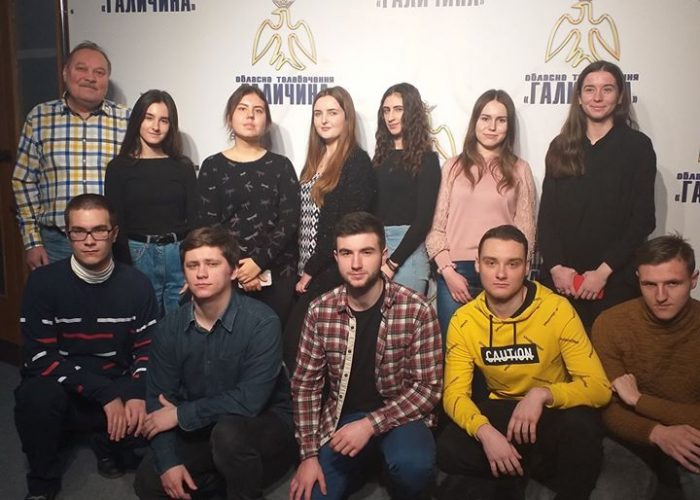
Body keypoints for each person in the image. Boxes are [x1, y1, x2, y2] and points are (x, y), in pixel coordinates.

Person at [436, 225, 611, 500]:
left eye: (512, 264)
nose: (501, 273)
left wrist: (543, 394)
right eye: (491, 263)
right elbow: (454, 395)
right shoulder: (464, 319)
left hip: (549, 411)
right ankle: (528, 468)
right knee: (448, 447)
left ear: (527, 267)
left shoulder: (557, 309)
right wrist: (485, 432)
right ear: (478, 265)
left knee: (583, 429)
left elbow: (599, 388)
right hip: (503, 410)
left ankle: (520, 470)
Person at [14, 194, 159, 500]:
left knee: (153, 415)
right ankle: (42, 482)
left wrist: (135, 391)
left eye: (99, 230)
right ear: (68, 235)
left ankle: (105, 441)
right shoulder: (42, 283)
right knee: (35, 398)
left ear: (114, 234)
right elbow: (39, 356)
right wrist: (103, 393)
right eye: (79, 231)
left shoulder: (137, 284)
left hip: (115, 380)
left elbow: (148, 348)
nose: (89, 240)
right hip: (64, 384)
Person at [133, 226, 295, 500]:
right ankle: (226, 479)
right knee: (149, 481)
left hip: (261, 424)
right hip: (204, 425)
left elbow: (250, 401)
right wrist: (169, 463)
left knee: (228, 436)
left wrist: (180, 415)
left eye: (212, 264)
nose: (201, 273)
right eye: (192, 265)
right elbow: (158, 400)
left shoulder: (262, 322)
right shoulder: (169, 328)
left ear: (232, 271)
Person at [289, 212, 442, 500]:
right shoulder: (320, 310)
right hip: (343, 418)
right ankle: (364, 464)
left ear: (383, 255)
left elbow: (428, 388)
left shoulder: (416, 309)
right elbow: (305, 386)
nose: (356, 264)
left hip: (401, 415)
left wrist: (370, 425)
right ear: (336, 257)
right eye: (347, 253)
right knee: (314, 494)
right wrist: (308, 456)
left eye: (366, 252)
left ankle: (386, 465)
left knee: (414, 467)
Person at [538, 60, 656, 332]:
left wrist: (603, 272)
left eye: (607, 89)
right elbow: (547, 218)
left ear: (620, 96)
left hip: (614, 283)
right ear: (579, 97)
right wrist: (556, 268)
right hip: (562, 283)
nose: (598, 97)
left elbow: (643, 219)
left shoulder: (638, 147)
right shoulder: (560, 146)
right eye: (590, 89)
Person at [592, 234, 700, 499]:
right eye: (650, 284)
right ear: (638, 279)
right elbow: (608, 408)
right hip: (632, 436)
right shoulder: (611, 323)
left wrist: (639, 400)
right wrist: (657, 433)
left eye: (672, 283)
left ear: (693, 280)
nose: (660, 296)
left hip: (693, 435)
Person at [426, 89, 536, 338]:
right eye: (485, 118)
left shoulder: (520, 169)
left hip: (502, 271)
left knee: (498, 347)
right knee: (454, 348)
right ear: (475, 121)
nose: (492, 127)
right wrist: (447, 271)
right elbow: (435, 226)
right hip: (456, 271)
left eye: (501, 120)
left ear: (509, 126)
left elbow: (526, 229)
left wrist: (518, 271)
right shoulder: (453, 167)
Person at [12, 41, 130, 270]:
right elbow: (23, 182)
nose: (90, 77)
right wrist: (32, 242)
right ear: (65, 72)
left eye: (99, 72)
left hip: (112, 243)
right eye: (82, 69)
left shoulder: (126, 120)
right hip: (57, 243)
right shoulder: (40, 118)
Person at [284, 86, 377, 369]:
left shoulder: (356, 162)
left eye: (332, 113)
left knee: (300, 345)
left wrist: (311, 270)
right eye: (318, 113)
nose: (324, 120)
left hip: (329, 271)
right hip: (305, 269)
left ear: (346, 117)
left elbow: (345, 227)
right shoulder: (314, 162)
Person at [196, 84, 300, 323]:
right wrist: (240, 268)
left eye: (258, 110)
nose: (250, 115)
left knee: (273, 341)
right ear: (230, 117)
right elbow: (207, 226)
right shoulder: (212, 166)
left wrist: (258, 263)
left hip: (276, 274)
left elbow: (288, 222)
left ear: (267, 122)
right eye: (242, 109)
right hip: (227, 274)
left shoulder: (281, 166)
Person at [105, 89, 197, 315]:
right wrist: (124, 269)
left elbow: (195, 219)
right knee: (145, 325)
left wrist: (194, 265)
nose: (156, 126)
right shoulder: (118, 168)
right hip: (137, 255)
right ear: (137, 119)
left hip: (178, 254)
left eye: (164, 120)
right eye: (149, 117)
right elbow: (116, 224)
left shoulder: (183, 166)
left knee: (181, 324)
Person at [372, 82, 440, 295]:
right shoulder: (379, 159)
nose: (391, 117)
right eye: (386, 110)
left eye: (398, 109)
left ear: (411, 112)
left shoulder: (427, 160)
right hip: (378, 249)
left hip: (408, 255)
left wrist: (392, 263)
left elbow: (423, 221)